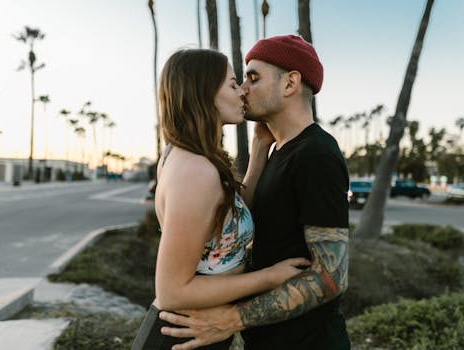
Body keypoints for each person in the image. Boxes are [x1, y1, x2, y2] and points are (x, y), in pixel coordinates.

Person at [159, 35, 351, 350]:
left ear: (290, 84)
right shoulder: (279, 151)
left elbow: (332, 277)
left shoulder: (316, 154)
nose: (243, 89)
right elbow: (235, 217)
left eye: (252, 78)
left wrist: (233, 319)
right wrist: (260, 149)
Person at [131, 48, 311, 350]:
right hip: (181, 335)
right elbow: (171, 291)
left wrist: (258, 150)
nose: (243, 91)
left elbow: (231, 215)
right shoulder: (194, 172)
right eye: (232, 84)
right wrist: (269, 278)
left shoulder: (188, 156)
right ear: (204, 93)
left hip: (194, 333)